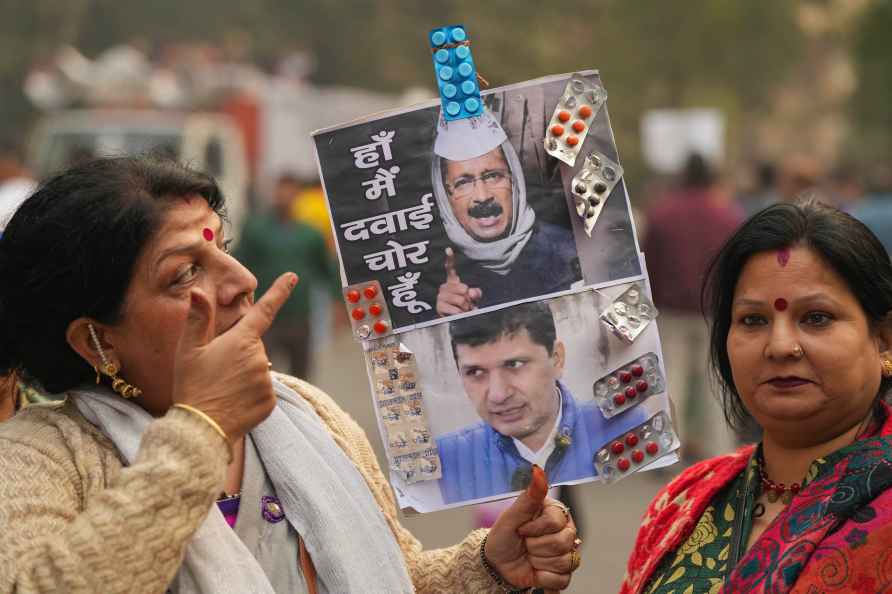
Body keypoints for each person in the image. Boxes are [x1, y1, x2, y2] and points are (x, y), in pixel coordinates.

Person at [0, 157, 582, 593]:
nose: (242, 282)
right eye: (183, 275)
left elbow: (391, 572)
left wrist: (485, 567)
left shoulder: (306, 412)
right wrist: (201, 428)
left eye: (225, 250)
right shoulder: (38, 458)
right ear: (96, 341)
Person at [622, 199, 892, 593]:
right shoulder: (684, 500)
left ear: (883, 340)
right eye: (753, 320)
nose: (780, 346)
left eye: (816, 318)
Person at [437, 301, 645, 504]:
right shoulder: (444, 461)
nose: (498, 395)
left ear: (557, 358)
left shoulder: (630, 428)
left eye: (514, 364)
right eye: (476, 372)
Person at [430, 110, 581, 317]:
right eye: (463, 183)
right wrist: (442, 324)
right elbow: (387, 350)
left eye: (493, 176)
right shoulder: (430, 283)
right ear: (444, 197)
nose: (482, 197)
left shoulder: (572, 253)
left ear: (514, 180)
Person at [642, 153, 743, 460]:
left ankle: (666, 452)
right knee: (716, 383)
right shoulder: (727, 214)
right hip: (714, 311)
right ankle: (720, 452)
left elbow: (649, 265)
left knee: (671, 383)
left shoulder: (662, 214)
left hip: (671, 312)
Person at [234, 172, 339, 379]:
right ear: (274, 193)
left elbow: (326, 271)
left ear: (298, 196)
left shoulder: (310, 234)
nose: (285, 195)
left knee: (302, 375)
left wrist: (337, 303)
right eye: (281, 190)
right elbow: (238, 265)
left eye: (291, 191)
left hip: (300, 315)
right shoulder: (256, 229)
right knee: (261, 372)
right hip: (264, 315)